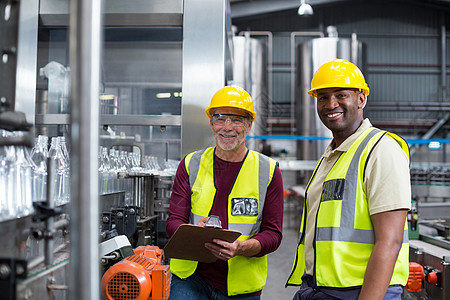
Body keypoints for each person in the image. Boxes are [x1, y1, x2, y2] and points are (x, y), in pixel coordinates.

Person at [286, 59, 411, 300]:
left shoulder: (381, 149)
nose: (331, 104)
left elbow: (391, 240)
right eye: (322, 97)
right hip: (319, 288)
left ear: (361, 99)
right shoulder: (331, 156)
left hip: (362, 292)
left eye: (341, 95)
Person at [166, 85, 284, 299]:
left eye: (236, 119)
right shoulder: (190, 164)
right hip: (192, 278)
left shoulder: (268, 171)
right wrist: (191, 232)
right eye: (220, 118)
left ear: (248, 126)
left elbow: (273, 234)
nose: (227, 127)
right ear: (211, 123)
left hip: (242, 286)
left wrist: (241, 247)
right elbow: (173, 222)